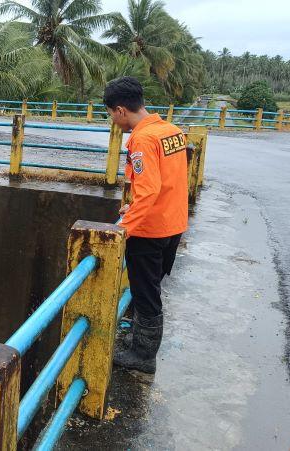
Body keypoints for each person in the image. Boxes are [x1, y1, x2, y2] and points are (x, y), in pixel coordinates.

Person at [103, 76, 188, 374]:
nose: (113, 121)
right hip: (174, 224)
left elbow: (150, 189)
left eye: (112, 114)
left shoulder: (142, 139)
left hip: (150, 231)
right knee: (151, 288)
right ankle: (140, 342)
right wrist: (134, 204)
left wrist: (123, 228)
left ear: (121, 110)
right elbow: (168, 182)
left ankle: (143, 355)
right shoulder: (172, 131)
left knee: (145, 293)